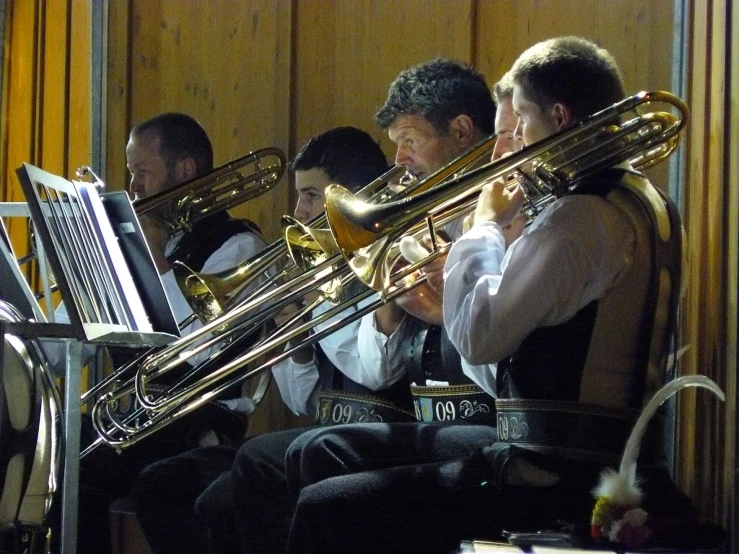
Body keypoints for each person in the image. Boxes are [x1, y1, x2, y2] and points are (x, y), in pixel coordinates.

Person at [284, 37, 696, 554]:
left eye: (520, 122)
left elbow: (479, 339)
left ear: (560, 118)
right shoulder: (640, 199)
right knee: (328, 450)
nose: (514, 142)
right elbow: (519, 365)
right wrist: (443, 306)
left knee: (325, 508)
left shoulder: (578, 218)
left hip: (552, 475)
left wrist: (482, 229)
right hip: (570, 455)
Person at [231, 57, 507, 554]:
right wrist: (388, 302)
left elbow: (509, 365)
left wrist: (447, 310)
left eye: (410, 141)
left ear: (463, 131)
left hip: (491, 427)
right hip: (426, 425)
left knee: (317, 457)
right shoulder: (422, 227)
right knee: (263, 474)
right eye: (396, 144)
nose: (398, 160)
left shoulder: (502, 225)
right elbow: (379, 364)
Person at [131, 126, 411, 554]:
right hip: (321, 432)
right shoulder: (310, 269)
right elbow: (302, 402)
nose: (298, 211)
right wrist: (293, 343)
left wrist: (313, 309)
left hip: (378, 436)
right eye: (299, 195)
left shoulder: (384, 262)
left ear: (350, 198)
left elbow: (375, 371)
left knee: (232, 493)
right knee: (166, 484)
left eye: (312, 196)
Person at [71, 113, 269, 554]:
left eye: (142, 172)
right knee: (53, 443)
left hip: (202, 416)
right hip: (143, 413)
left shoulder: (238, 246)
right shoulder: (150, 237)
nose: (132, 185)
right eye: (130, 173)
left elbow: (200, 351)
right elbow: (91, 333)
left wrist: (154, 256)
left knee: (82, 474)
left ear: (184, 172)